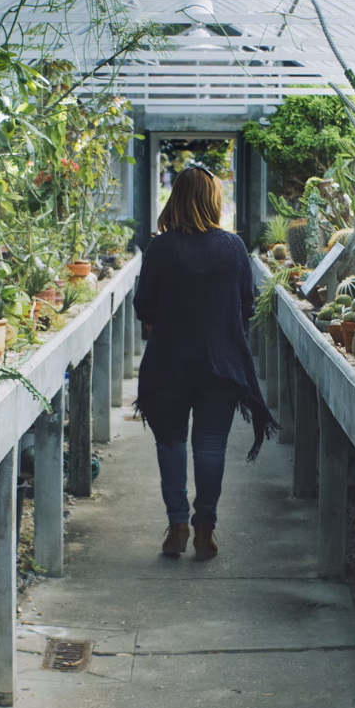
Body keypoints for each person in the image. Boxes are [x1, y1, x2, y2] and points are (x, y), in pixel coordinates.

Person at [133, 166, 277, 561]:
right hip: (221, 363)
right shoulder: (232, 247)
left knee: (171, 441)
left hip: (168, 363)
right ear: (212, 199)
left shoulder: (159, 248)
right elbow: (246, 306)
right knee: (210, 445)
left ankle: (177, 524)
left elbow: (143, 307)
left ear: (175, 197)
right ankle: (204, 530)